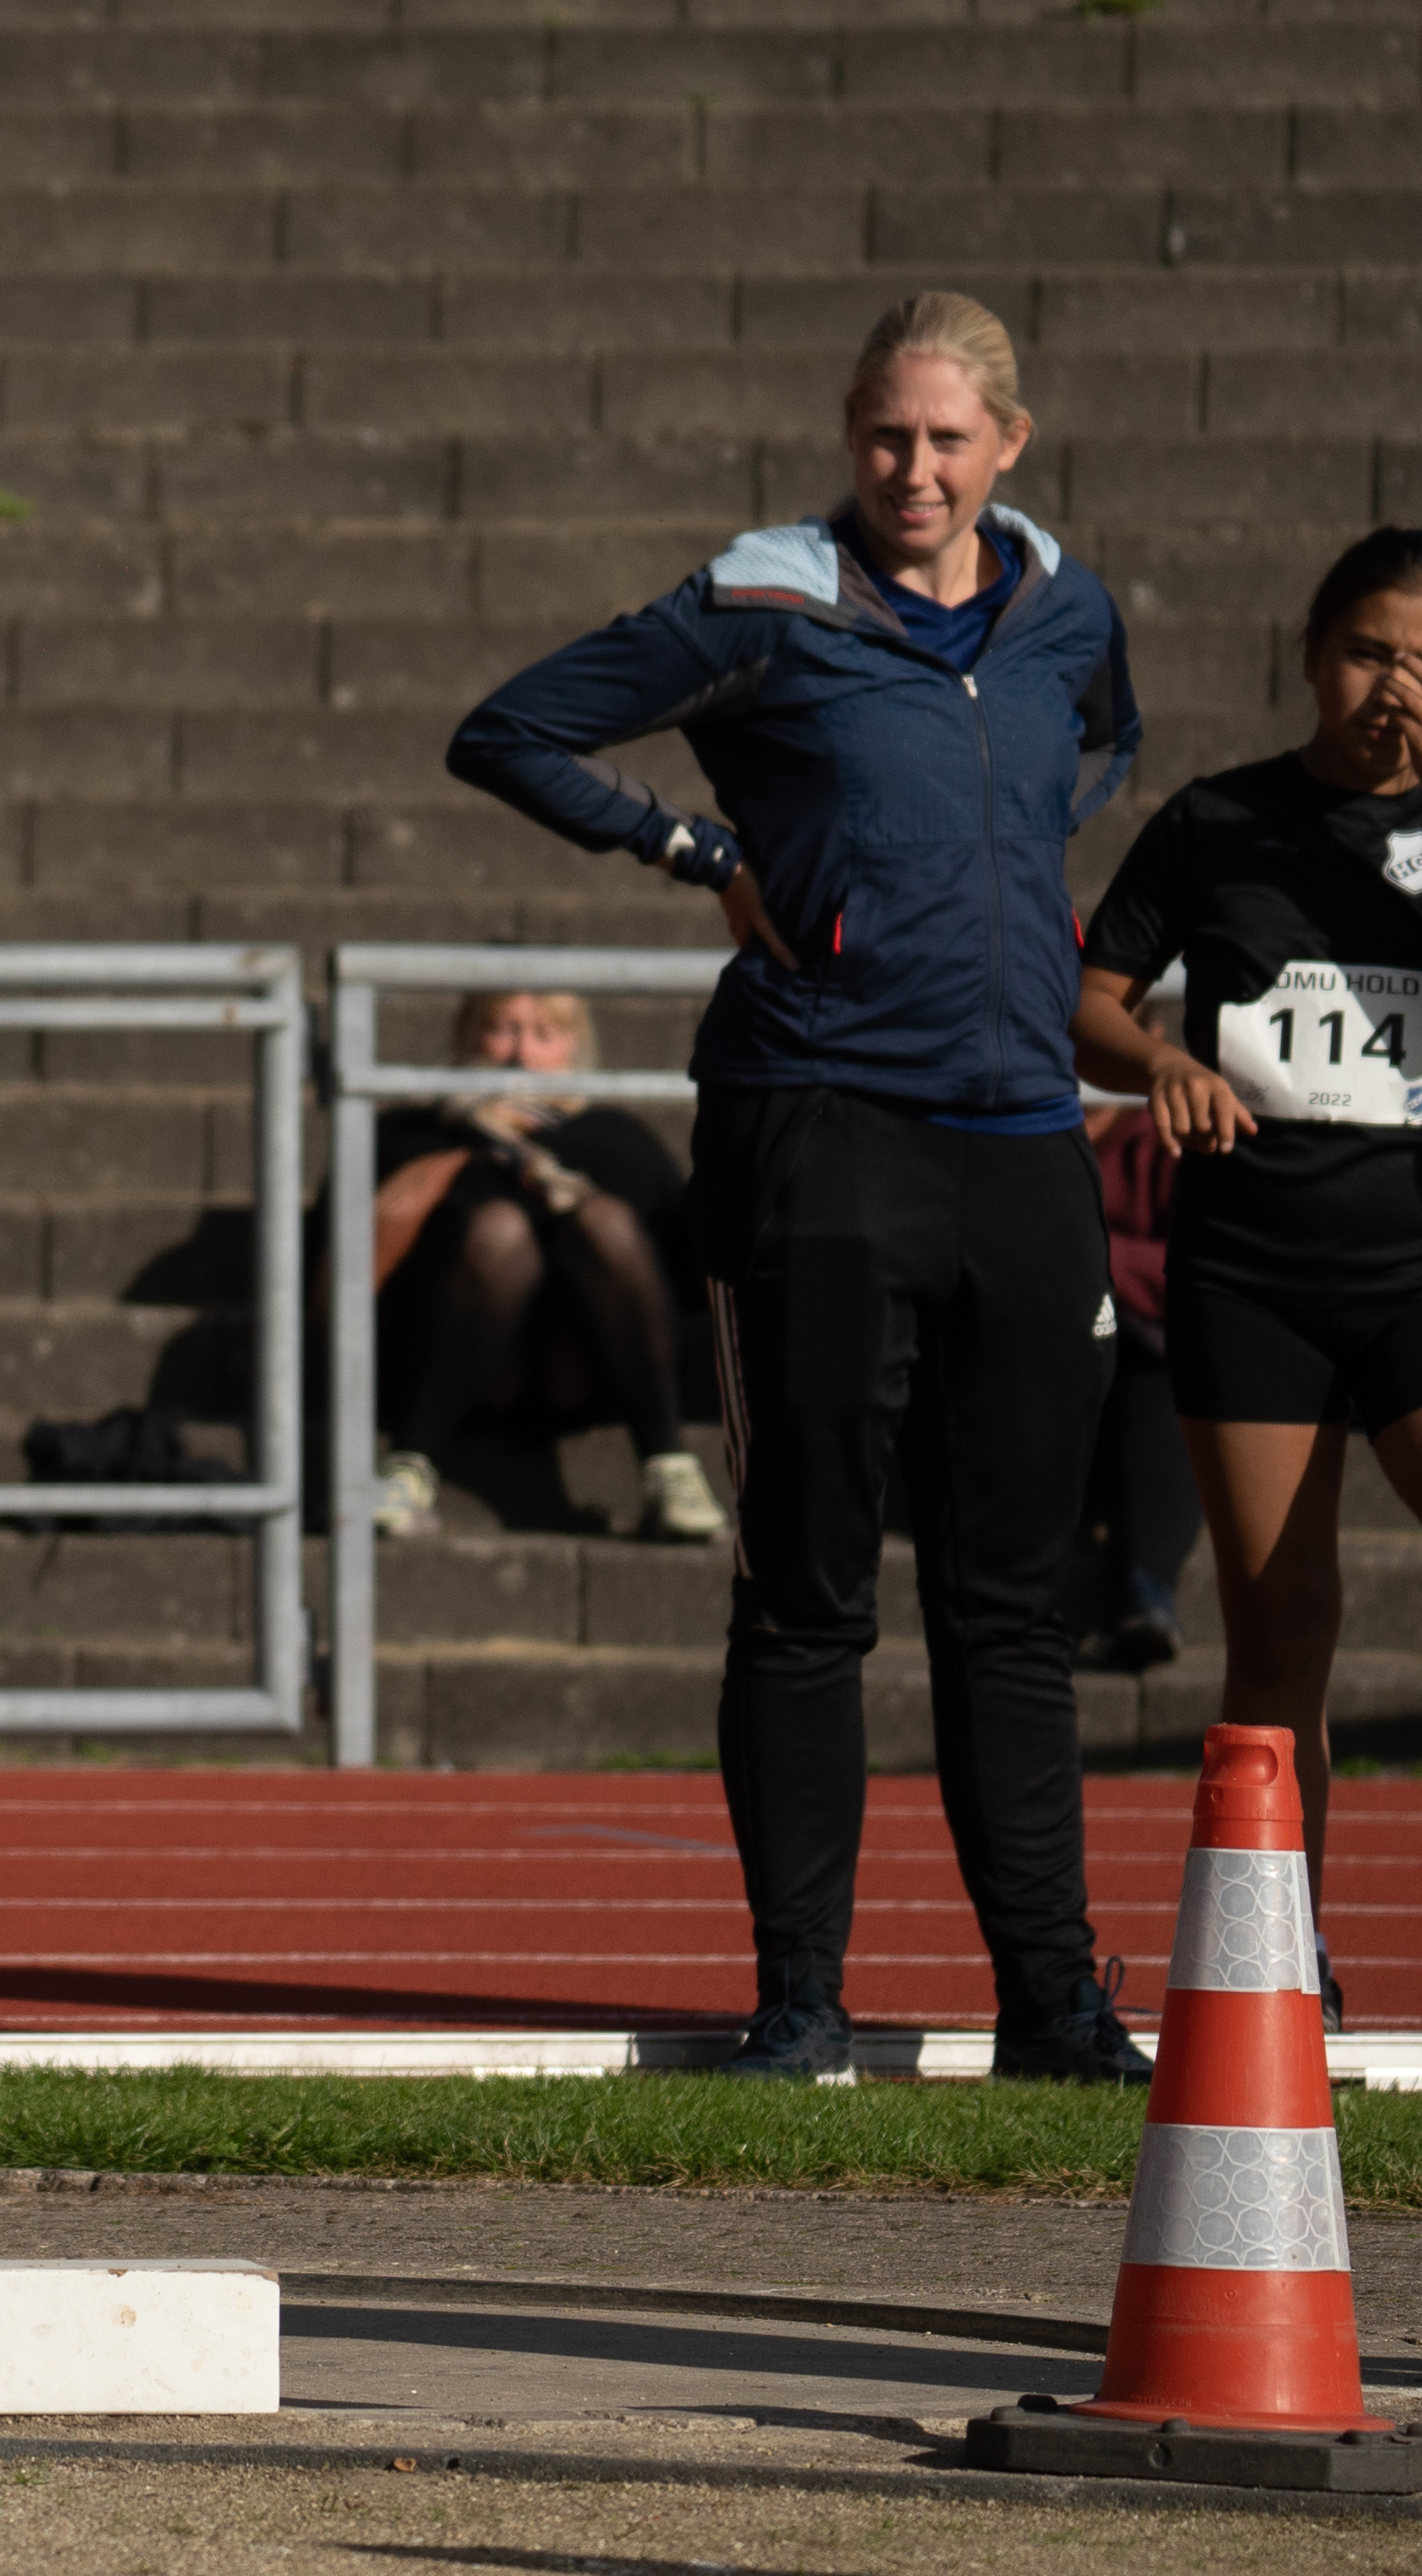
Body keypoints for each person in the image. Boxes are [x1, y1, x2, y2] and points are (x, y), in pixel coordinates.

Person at [446, 291, 1150, 2086]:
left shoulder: (1064, 601)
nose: (911, 468)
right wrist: (703, 850)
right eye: (882, 435)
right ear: (851, 434)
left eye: (945, 438)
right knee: (807, 1587)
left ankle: (1056, 2004)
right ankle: (800, 2002)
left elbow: (1107, 740)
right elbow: (509, 729)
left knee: (1006, 1597)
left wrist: (999, 878)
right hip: (816, 1125)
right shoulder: (766, 594)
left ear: (1010, 441)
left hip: (1017, 1136)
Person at [1071, 522, 1422, 2032]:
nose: (1391, 684)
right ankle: (1278, 1958)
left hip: (1415, 1271)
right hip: (1257, 1270)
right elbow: (1088, 995)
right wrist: (1159, 1062)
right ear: (1306, 653)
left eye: (1421, 662)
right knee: (1280, 1624)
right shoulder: (1216, 823)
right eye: (1366, 651)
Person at [369, 989, 724, 1547]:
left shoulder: (616, 1138)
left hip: (582, 1367)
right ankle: (411, 1461)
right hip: (443, 1355)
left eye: (544, 1033)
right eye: (502, 1029)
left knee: (605, 1222)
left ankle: (667, 1462)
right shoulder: (410, 1135)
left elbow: (682, 1283)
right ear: (464, 1033)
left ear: (576, 1045)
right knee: (499, 1231)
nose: (521, 1054)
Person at [1077, 1095, 1194, 1678]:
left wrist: (1095, 1260)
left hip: (1140, 1350)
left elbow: (1194, 1263)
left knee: (1161, 1383)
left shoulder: (1171, 1136)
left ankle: (1145, 1585)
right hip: (1049, 1348)